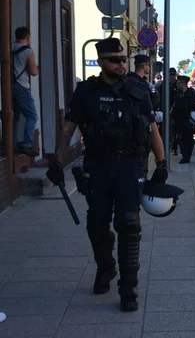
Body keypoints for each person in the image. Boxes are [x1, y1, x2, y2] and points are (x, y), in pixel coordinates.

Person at [48, 38, 167, 312]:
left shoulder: (138, 89)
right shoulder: (86, 92)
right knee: (97, 224)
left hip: (130, 165)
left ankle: (129, 288)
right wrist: (58, 159)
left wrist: (161, 164)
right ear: (101, 61)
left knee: (129, 224)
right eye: (115, 60)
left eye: (123, 59)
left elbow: (152, 130)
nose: (121, 64)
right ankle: (106, 268)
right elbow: (68, 128)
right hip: (98, 166)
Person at [11, 26, 40, 156]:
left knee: (14, 116)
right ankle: (27, 144)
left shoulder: (9, 48)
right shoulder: (28, 51)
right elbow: (33, 72)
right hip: (22, 86)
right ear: (27, 37)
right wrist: (37, 69)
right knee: (32, 115)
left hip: (9, 85)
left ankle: (11, 144)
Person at [171, 74, 195, 163]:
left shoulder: (192, 92)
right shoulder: (176, 92)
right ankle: (185, 156)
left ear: (183, 83)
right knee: (180, 137)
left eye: (179, 82)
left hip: (189, 119)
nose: (177, 84)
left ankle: (188, 154)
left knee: (189, 138)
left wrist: (194, 104)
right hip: (178, 118)